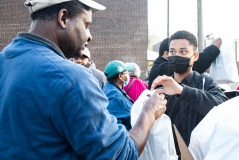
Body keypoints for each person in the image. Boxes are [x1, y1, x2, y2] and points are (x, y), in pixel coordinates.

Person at [0, 0, 167, 159]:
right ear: (63, 18)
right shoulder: (72, 79)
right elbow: (122, 154)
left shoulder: (5, 60)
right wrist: (148, 113)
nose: (89, 36)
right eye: (87, 25)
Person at [150, 30, 228, 156]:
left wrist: (182, 91)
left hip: (201, 155)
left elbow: (223, 107)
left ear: (195, 56)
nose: (176, 56)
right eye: (172, 51)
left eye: (183, 51)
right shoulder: (161, 86)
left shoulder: (204, 82)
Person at [148, 36, 222, 89]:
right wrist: (214, 48)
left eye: (183, 52)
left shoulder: (207, 82)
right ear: (166, 54)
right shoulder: (161, 68)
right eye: (173, 51)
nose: (178, 56)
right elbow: (197, 64)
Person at [103, 60, 134, 130]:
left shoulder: (112, 88)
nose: (128, 74)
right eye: (126, 72)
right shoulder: (114, 96)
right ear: (120, 76)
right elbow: (114, 127)